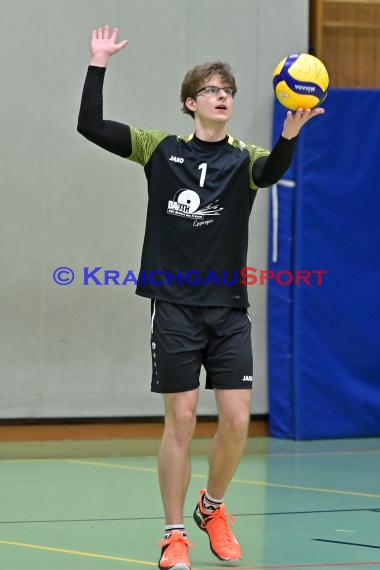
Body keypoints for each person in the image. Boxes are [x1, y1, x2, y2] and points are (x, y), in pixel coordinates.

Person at [77, 25, 324, 570]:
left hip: (229, 309)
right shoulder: (160, 150)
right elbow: (90, 125)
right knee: (182, 421)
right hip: (175, 308)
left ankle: (211, 508)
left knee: (236, 420)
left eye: (229, 91)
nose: (223, 96)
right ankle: (173, 535)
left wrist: (289, 134)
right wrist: (98, 64)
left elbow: (271, 170)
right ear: (191, 103)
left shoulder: (245, 159)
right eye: (212, 90)